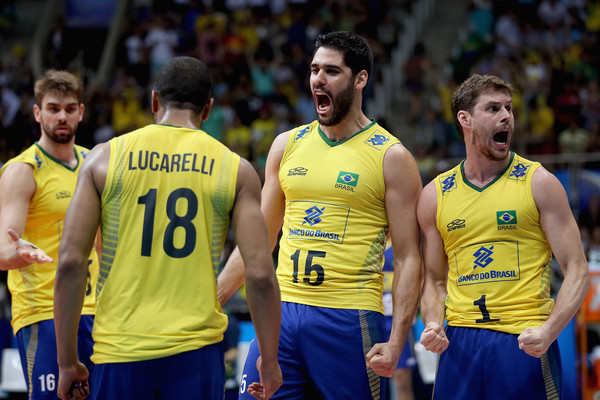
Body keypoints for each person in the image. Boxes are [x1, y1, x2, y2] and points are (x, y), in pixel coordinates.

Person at [53, 56, 282, 400]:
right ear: (208, 109)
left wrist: (67, 363)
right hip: (196, 354)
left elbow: (71, 262)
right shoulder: (236, 170)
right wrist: (269, 359)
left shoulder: (102, 158)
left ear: (154, 101)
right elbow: (261, 274)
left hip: (120, 350)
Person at [218, 31, 423, 400]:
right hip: (281, 312)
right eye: (314, 70)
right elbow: (258, 240)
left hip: (349, 317)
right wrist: (212, 299)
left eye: (331, 71)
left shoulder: (392, 157)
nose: (318, 79)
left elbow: (408, 256)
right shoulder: (288, 144)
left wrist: (396, 341)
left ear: (360, 79)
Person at [418, 74, 590, 399]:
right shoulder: (435, 195)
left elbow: (577, 270)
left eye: (509, 108)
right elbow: (434, 279)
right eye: (493, 108)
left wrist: (549, 331)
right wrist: (432, 323)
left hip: (522, 340)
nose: (506, 117)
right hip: (460, 343)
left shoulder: (539, 183)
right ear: (465, 119)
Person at [0, 70, 99, 399]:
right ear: (37, 113)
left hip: (99, 313)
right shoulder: (23, 170)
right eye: (53, 108)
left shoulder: (95, 164)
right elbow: (2, 247)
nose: (62, 116)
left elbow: (105, 242)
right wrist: (18, 255)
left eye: (70, 108)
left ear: (81, 113)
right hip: (44, 313)